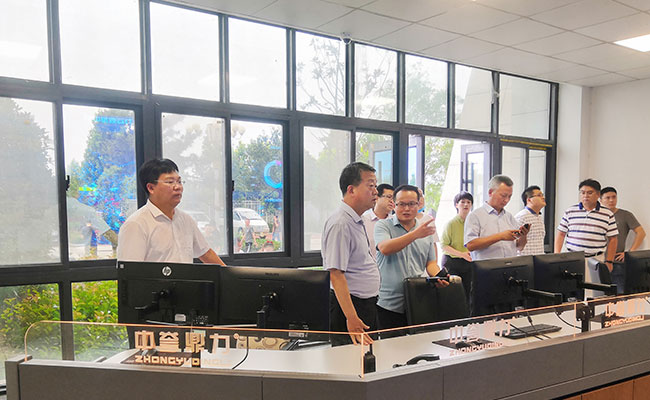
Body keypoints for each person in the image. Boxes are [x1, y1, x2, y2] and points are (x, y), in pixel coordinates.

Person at [117, 158, 225, 265]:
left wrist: (229, 274)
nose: (178, 187)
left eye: (179, 181)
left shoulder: (186, 220)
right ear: (151, 188)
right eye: (170, 182)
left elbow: (206, 253)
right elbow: (130, 271)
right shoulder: (136, 224)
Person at [375, 185, 448, 336]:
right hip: (389, 303)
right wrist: (415, 234)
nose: (406, 209)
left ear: (419, 204)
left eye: (411, 204)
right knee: (390, 347)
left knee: (418, 345)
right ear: (394, 205)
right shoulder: (383, 225)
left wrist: (438, 276)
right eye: (401, 204)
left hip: (418, 300)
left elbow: (430, 263)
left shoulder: (425, 230)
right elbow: (385, 248)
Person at [322, 162, 380, 346]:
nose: (376, 191)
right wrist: (352, 318)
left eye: (376, 186)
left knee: (369, 357)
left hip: (365, 304)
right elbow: (336, 274)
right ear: (351, 190)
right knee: (350, 360)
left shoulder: (357, 219)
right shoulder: (341, 223)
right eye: (371, 186)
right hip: (350, 308)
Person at [555, 179, 617, 298]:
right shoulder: (570, 211)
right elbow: (561, 234)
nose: (585, 196)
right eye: (582, 192)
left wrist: (609, 261)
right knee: (571, 293)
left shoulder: (607, 214)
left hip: (595, 259)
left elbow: (613, 239)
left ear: (598, 195)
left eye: (589, 193)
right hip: (572, 258)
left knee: (594, 294)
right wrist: (557, 256)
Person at [464, 175, 529, 261]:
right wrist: (500, 236)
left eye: (510, 196)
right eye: (503, 195)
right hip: (487, 267)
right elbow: (471, 245)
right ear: (490, 192)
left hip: (510, 265)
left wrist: (523, 236)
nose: (506, 200)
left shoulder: (509, 217)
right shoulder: (475, 215)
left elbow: (519, 247)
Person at [600, 186, 646, 293]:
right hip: (599, 262)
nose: (611, 200)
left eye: (614, 197)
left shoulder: (625, 215)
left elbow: (641, 233)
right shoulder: (597, 215)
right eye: (607, 198)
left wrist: (629, 253)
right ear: (601, 200)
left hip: (617, 262)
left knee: (619, 294)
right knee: (600, 294)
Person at [440, 191, 473, 301]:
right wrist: (461, 254)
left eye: (468, 202)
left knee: (468, 295)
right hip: (452, 262)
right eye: (462, 202)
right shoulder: (451, 223)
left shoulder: (473, 223)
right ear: (456, 205)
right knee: (453, 295)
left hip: (468, 262)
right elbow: (444, 245)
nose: (466, 204)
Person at [362, 183, 394, 259]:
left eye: (394, 198)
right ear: (376, 198)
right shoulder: (363, 221)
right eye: (389, 197)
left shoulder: (394, 222)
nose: (392, 201)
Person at [515, 186, 547, 256]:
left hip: (539, 259)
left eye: (542, 195)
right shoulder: (521, 217)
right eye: (539, 195)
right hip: (525, 260)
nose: (543, 197)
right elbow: (515, 243)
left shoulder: (539, 217)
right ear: (529, 200)